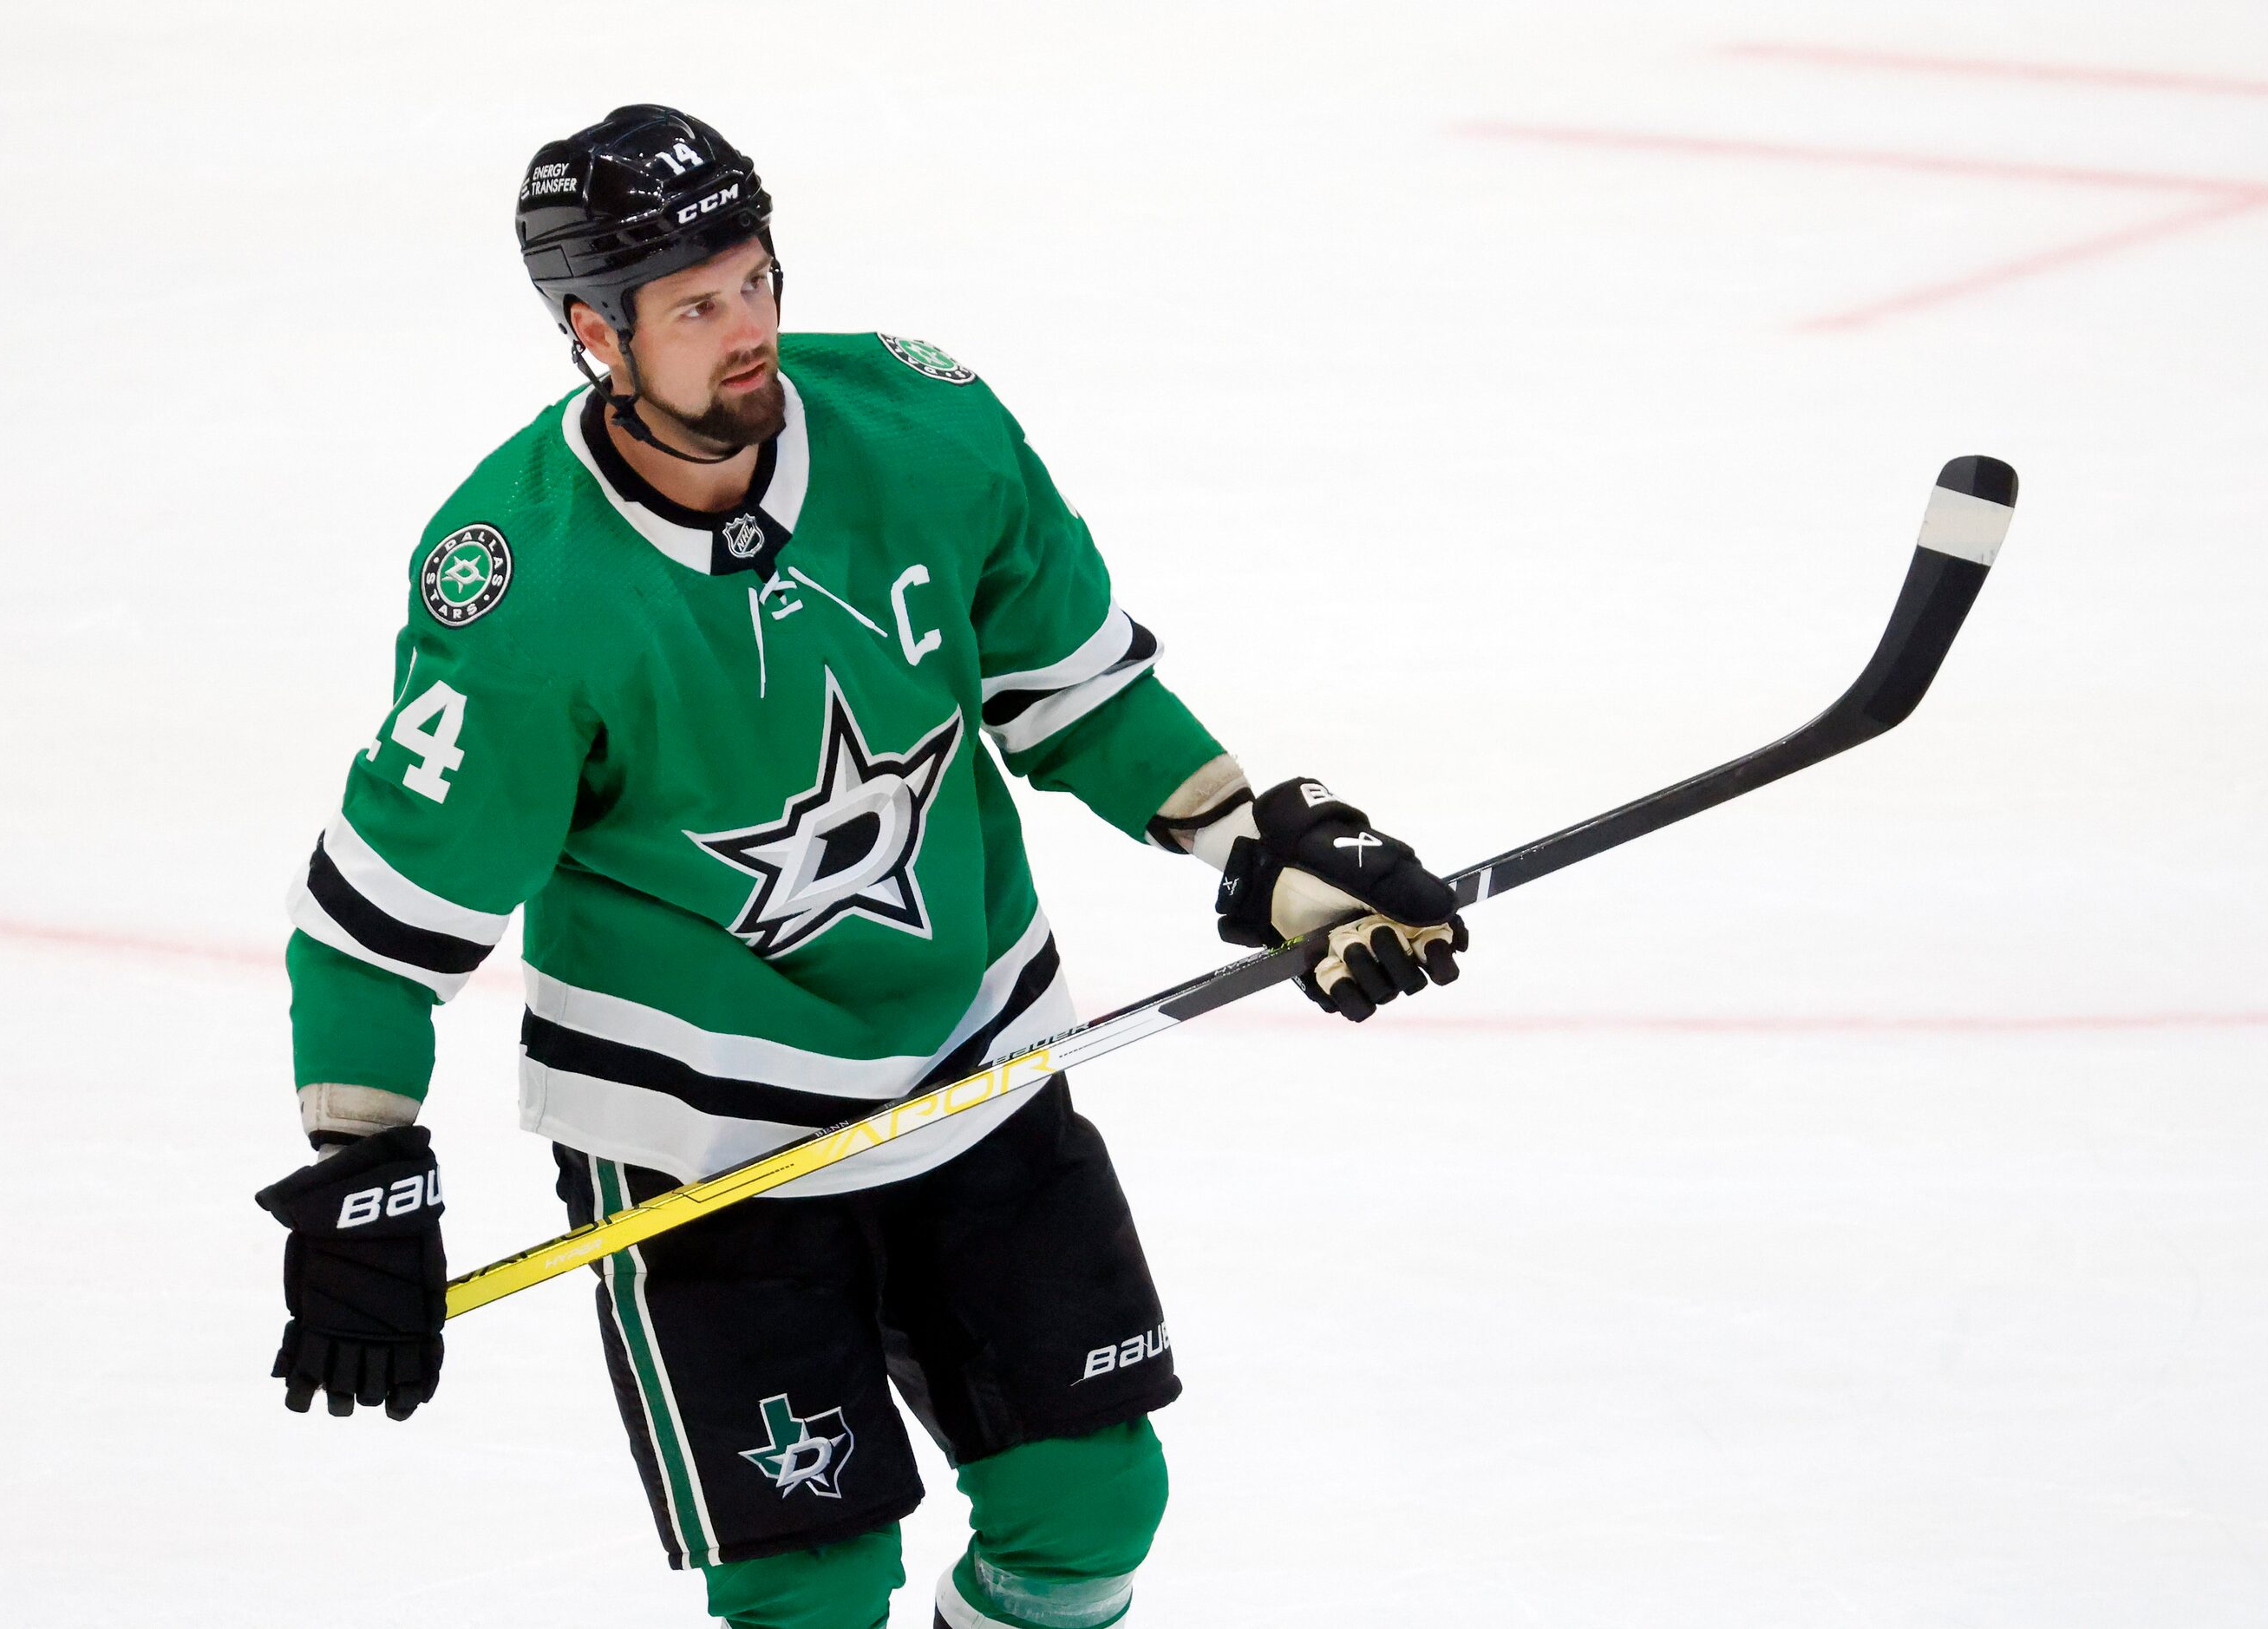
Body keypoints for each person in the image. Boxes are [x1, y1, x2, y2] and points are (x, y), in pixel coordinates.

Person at [255, 104, 1469, 1629]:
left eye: (755, 280)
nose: (745, 329)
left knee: (1090, 1508)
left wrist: (1264, 850)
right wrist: (363, 1175)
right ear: (592, 335)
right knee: (810, 1592)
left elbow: (1075, 696)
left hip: (975, 1059)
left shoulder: (925, 426)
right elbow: (375, 932)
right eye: (692, 307)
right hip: (704, 1146)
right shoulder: (522, 594)